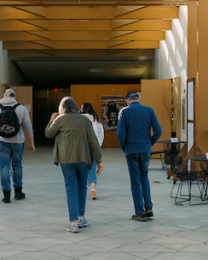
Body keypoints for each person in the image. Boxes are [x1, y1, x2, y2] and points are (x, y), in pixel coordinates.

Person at [45, 97, 103, 233]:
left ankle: (73, 223)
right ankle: (81, 218)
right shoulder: (84, 120)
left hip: (66, 159)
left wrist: (51, 120)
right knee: (82, 186)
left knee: (71, 188)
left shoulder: (60, 120)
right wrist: (99, 158)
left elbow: (48, 133)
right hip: (84, 158)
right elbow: (93, 140)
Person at [117, 90, 162, 221]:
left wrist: (124, 147)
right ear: (138, 99)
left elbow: (121, 134)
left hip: (131, 149)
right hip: (145, 149)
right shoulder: (149, 110)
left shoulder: (124, 112)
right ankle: (148, 207)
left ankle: (139, 212)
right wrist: (149, 143)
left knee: (135, 179)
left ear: (127, 100)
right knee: (144, 177)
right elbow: (158, 131)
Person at [0, 87, 35, 203]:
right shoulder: (21, 108)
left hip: (3, 142)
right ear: (14, 96)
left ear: (4, 96)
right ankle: (18, 192)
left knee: (4, 167)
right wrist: (31, 142)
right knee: (17, 166)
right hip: (18, 142)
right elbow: (28, 127)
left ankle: (6, 195)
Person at [81, 102, 105, 199]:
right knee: (92, 169)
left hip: (82, 148)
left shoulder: (80, 119)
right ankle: (93, 191)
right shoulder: (97, 120)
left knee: (81, 169)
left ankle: (81, 190)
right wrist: (97, 146)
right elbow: (101, 135)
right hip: (94, 148)